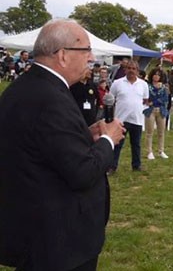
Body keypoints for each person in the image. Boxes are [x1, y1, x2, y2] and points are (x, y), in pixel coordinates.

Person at [0, 19, 125, 270]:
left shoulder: (25, 88)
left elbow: (43, 144)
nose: (91, 58)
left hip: (34, 229)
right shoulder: (50, 98)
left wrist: (84, 136)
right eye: (86, 50)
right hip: (60, 241)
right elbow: (82, 172)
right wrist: (108, 140)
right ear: (63, 55)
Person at [110, 60, 149, 173]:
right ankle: (112, 166)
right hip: (121, 119)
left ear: (137, 71)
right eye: (129, 68)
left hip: (137, 119)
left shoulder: (143, 84)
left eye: (134, 68)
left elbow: (145, 100)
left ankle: (136, 166)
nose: (131, 70)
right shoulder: (117, 83)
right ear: (125, 69)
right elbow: (111, 100)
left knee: (136, 144)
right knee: (117, 144)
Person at [144, 68, 170, 160]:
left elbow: (165, 99)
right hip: (150, 111)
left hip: (161, 110)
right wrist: (151, 102)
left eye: (158, 75)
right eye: (155, 74)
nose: (156, 76)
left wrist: (154, 101)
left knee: (161, 132)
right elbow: (147, 98)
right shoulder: (148, 86)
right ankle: (149, 151)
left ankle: (161, 150)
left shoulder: (164, 87)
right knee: (149, 132)